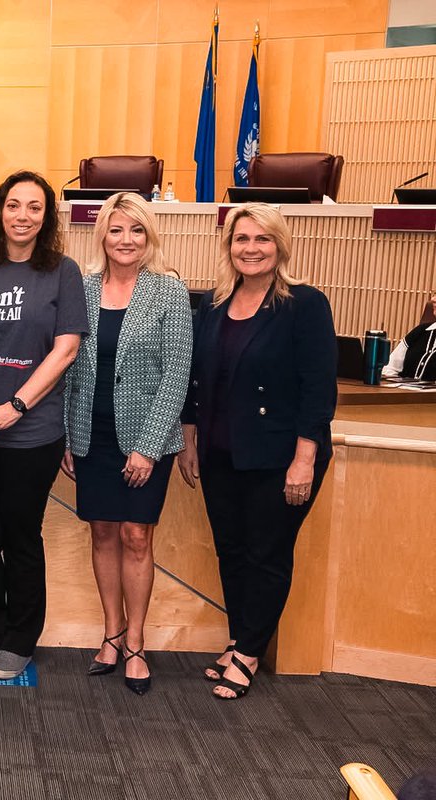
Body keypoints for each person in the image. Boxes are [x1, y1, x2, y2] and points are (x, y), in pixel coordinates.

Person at [177, 202, 337, 700]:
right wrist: (188, 439)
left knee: (267, 553)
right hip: (221, 451)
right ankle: (239, 637)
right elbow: (196, 379)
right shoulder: (213, 304)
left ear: (279, 246)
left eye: (261, 239)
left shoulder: (304, 305)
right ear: (229, 247)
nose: (251, 248)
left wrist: (305, 458)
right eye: (241, 239)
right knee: (232, 550)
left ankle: (249, 651)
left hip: (280, 456)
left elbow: (318, 389)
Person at [0, 170, 88, 680]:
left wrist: (17, 406)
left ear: (47, 216)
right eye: (13, 205)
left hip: (31, 433)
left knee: (20, 535)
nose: (22, 215)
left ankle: (21, 638)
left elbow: (65, 349)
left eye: (34, 207)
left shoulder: (62, 272)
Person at [61, 192, 192, 694]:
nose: (126, 240)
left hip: (144, 437)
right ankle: (110, 633)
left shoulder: (169, 292)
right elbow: (70, 367)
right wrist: (69, 439)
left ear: (149, 236)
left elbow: (176, 376)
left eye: (136, 230)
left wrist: (149, 446)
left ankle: (136, 642)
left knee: (137, 537)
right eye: (116, 230)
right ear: (103, 236)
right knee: (101, 535)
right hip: (90, 435)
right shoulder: (83, 289)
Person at [382, 289, 436, 381]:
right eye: (435, 294)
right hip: (403, 393)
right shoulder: (420, 331)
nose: (433, 299)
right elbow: (390, 368)